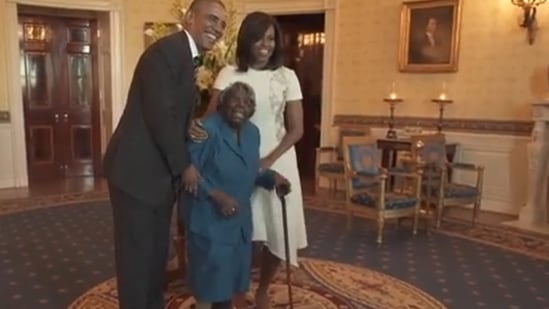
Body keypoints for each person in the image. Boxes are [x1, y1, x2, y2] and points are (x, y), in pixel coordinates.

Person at [102, 0, 227, 308]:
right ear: (189, 17)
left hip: (153, 179)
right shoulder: (166, 52)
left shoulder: (184, 55)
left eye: (222, 24)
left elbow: (169, 110)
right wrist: (185, 166)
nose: (217, 28)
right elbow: (159, 115)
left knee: (153, 260)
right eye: (211, 19)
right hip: (136, 176)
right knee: (136, 265)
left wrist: (189, 126)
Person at [189, 11, 308, 308]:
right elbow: (211, 118)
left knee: (277, 234)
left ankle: (263, 289)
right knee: (241, 230)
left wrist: (267, 161)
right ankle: (234, 287)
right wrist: (191, 134)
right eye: (258, 37)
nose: (265, 44)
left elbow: (297, 130)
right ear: (246, 39)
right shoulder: (229, 73)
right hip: (234, 160)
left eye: (271, 38)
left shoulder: (287, 76)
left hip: (275, 160)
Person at [182, 81, 291, 309]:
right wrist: (216, 195)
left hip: (239, 222)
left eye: (247, 102)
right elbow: (187, 172)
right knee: (211, 286)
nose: (241, 105)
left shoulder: (253, 133)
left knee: (230, 284)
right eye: (235, 99)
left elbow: (249, 169)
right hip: (209, 220)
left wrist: (272, 178)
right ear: (222, 103)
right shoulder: (207, 129)